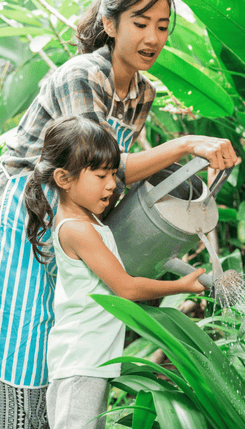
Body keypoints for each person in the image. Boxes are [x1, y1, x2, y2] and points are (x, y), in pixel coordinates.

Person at [0, 0, 240, 429]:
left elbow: (111, 175)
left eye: (162, 26)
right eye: (140, 22)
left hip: (70, 216)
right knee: (22, 337)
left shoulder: (141, 92)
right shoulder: (82, 75)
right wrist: (184, 144)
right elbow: (87, 167)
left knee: (61, 334)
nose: (153, 36)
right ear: (110, 24)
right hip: (20, 211)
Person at [23, 116, 207, 429]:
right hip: (80, 361)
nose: (111, 183)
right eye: (100, 175)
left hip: (90, 359)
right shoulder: (78, 229)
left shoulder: (86, 218)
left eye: (112, 173)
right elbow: (127, 288)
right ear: (63, 179)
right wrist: (181, 286)